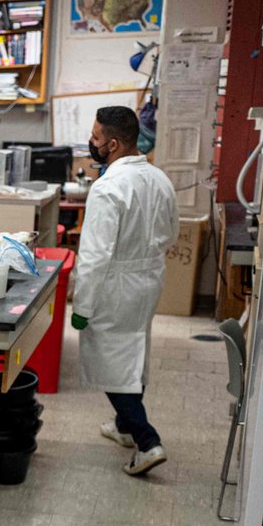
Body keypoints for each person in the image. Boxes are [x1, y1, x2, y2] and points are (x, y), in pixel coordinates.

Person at [71, 106, 179, 476]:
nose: (92, 143)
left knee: (112, 363)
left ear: (113, 144)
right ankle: (123, 428)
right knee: (133, 351)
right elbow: (173, 233)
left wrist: (82, 305)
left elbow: (94, 256)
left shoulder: (107, 188)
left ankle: (148, 441)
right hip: (148, 279)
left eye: (97, 138)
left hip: (114, 284)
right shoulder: (159, 179)